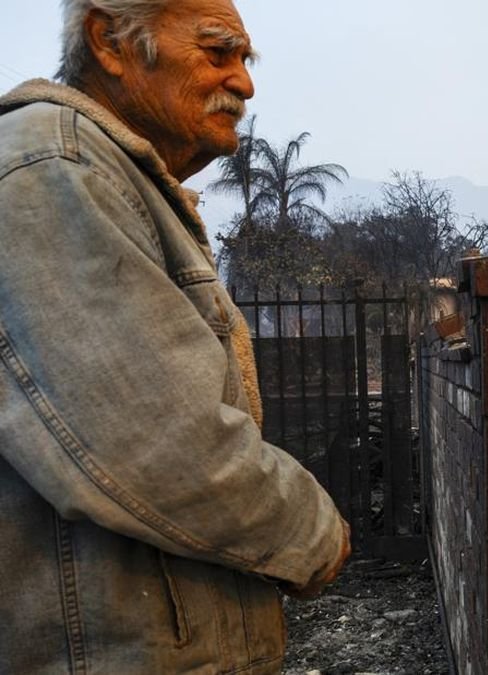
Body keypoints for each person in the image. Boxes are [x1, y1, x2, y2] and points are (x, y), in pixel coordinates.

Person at [0, 0, 349, 672]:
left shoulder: (105, 175)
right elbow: (160, 441)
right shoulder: (53, 167)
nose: (244, 82)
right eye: (218, 53)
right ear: (110, 40)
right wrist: (314, 531)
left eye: (244, 60)